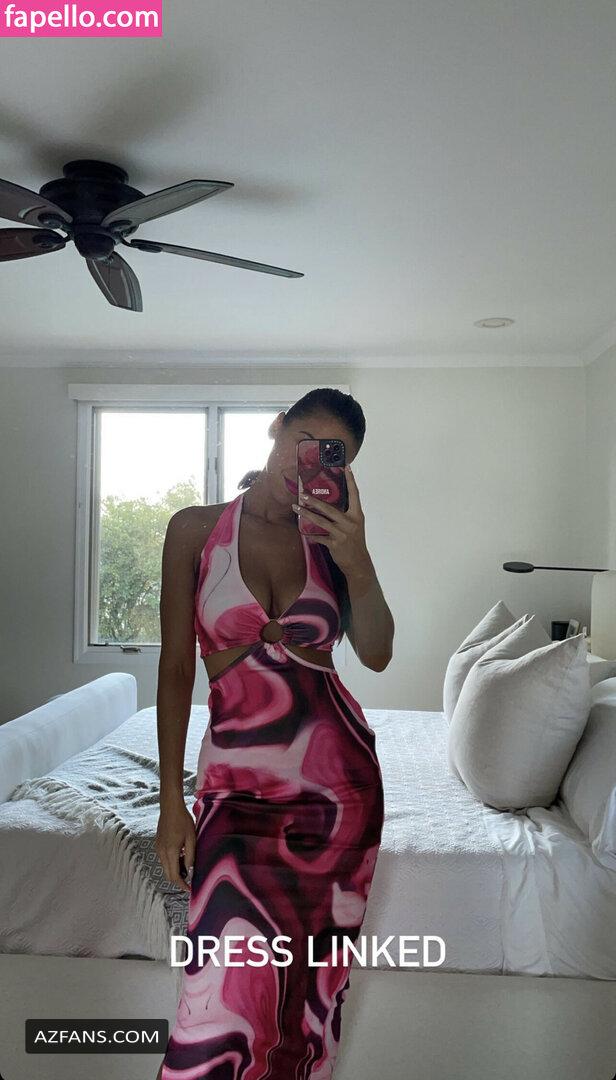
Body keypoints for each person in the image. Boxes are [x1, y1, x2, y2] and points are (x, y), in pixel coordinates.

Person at [155, 388, 394, 1080]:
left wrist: (358, 560)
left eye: (331, 455)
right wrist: (171, 802)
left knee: (308, 1000)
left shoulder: (331, 542)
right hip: (234, 788)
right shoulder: (195, 530)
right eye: (303, 439)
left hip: (337, 795)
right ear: (276, 427)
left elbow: (377, 652)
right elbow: (176, 668)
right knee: (217, 997)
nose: (308, 460)